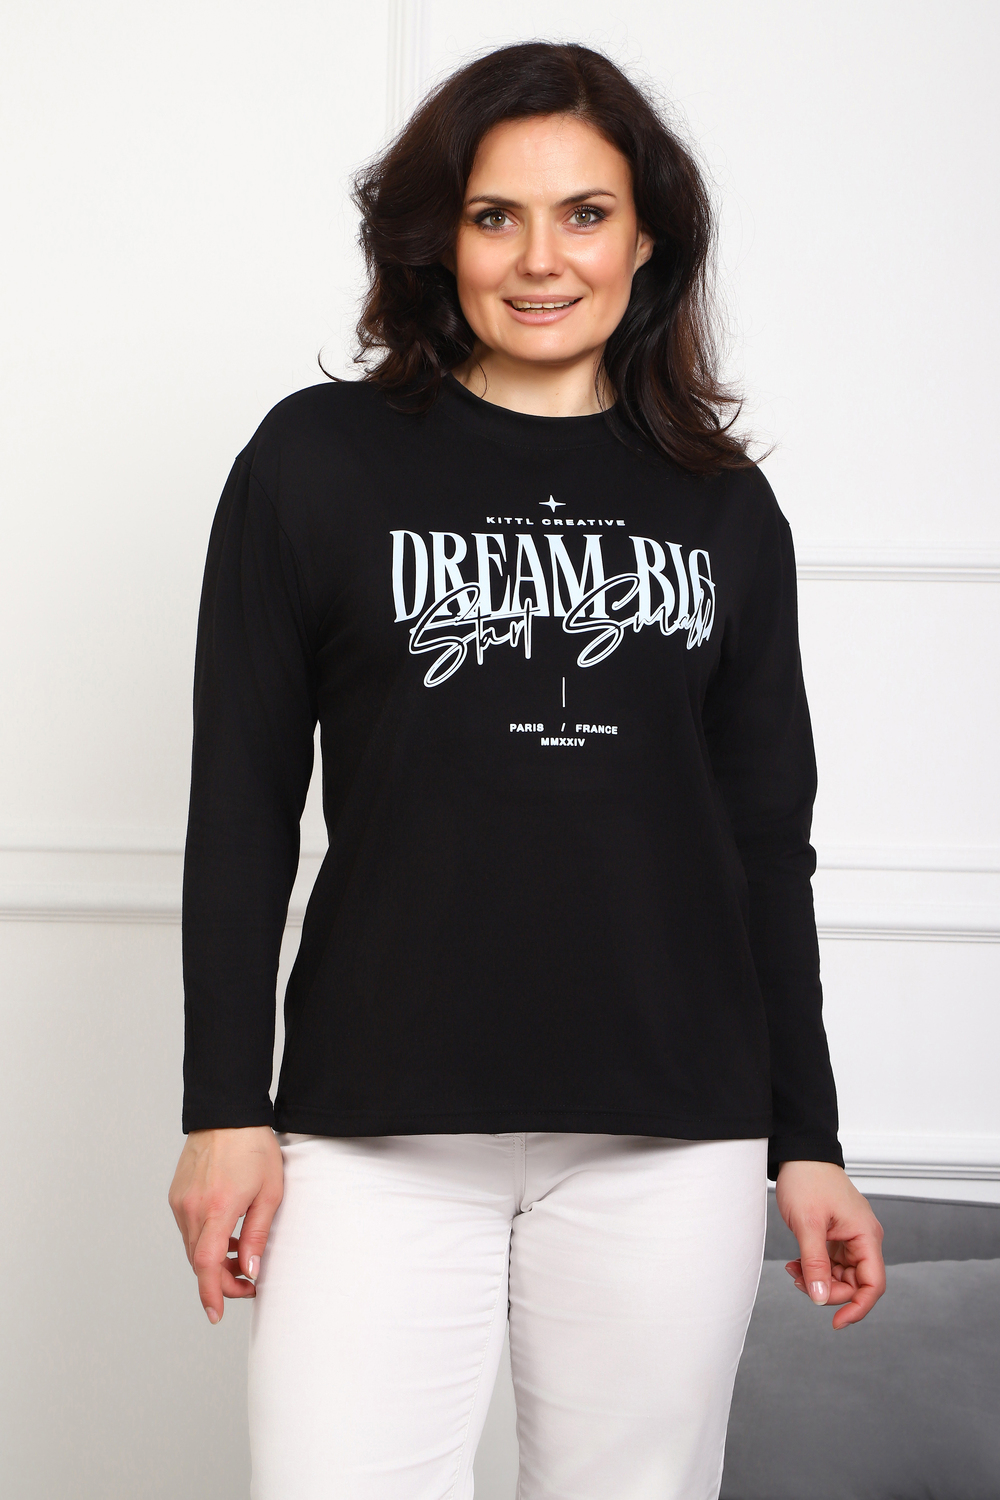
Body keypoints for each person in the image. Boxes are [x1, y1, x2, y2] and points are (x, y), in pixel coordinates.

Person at [168, 39, 885, 1500]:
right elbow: (240, 807)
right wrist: (223, 1107)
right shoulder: (315, 461)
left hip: (670, 1130)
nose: (541, 259)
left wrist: (806, 1141)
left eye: (585, 214)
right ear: (439, 238)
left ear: (648, 239)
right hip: (376, 1125)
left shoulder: (722, 505)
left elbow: (766, 841)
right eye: (496, 215)